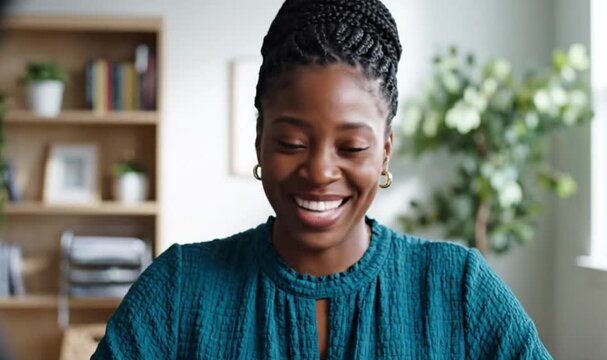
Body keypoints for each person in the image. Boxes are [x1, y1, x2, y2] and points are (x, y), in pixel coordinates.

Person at [92, 0, 552, 358]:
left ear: (386, 149)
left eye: (352, 147)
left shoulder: (459, 289)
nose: (319, 172)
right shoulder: (177, 290)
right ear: (259, 140)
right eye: (292, 142)